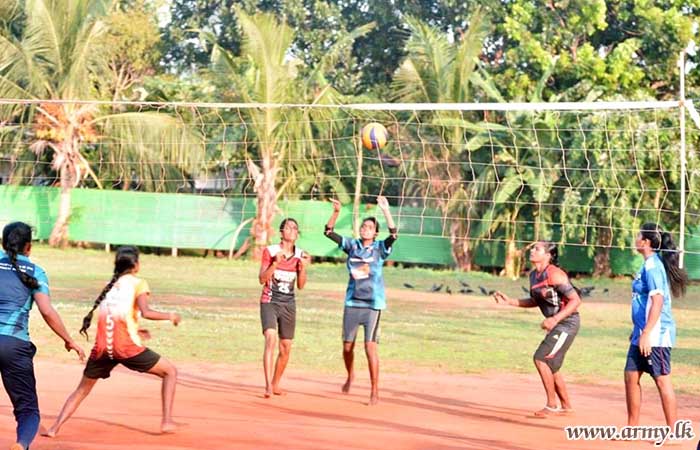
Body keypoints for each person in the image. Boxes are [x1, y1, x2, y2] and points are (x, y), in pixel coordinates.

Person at [43, 246, 181, 436]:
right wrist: (171, 316)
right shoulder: (138, 283)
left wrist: (136, 330)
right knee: (170, 372)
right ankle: (166, 421)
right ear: (136, 265)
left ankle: (54, 428)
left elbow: (111, 317)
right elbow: (146, 312)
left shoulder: (110, 285)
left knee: (82, 390)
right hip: (125, 347)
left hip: (102, 349)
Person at [0, 222, 85, 450]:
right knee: (28, 410)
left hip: (12, 344)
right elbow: (47, 311)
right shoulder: (35, 272)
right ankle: (20, 444)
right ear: (29, 247)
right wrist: (69, 340)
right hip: (14, 345)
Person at [493, 241, 581, 417]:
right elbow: (536, 300)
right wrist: (510, 301)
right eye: (533, 248)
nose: (532, 250)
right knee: (552, 365)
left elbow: (575, 300)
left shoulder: (555, 274)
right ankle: (566, 407)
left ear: (548, 255)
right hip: (557, 324)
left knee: (541, 359)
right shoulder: (534, 275)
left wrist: (554, 319)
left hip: (566, 323)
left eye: (537, 249)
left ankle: (552, 405)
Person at [324, 196, 397, 405]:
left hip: (373, 305)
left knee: (369, 347)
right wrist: (336, 212)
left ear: (375, 233)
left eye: (369, 227)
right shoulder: (352, 245)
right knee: (347, 347)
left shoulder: (380, 248)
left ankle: (374, 390)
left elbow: (393, 235)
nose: (365, 228)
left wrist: (385, 210)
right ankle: (350, 375)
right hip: (352, 303)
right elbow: (328, 232)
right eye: (363, 225)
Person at [625, 223, 687, 429]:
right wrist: (638, 330)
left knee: (662, 380)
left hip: (656, 335)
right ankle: (632, 427)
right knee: (631, 376)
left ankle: (674, 432)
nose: (635, 239)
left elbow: (658, 301)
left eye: (638, 235)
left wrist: (647, 333)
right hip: (642, 333)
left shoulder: (653, 267)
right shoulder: (648, 263)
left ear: (646, 242)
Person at [259, 218, 310, 398]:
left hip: (289, 303)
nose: (292, 230)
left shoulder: (301, 255)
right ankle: (267, 386)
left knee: (286, 347)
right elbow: (262, 279)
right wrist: (274, 264)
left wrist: (303, 269)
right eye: (288, 227)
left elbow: (301, 285)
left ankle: (275, 383)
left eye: (295, 228)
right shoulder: (271, 251)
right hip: (270, 301)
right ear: (281, 232)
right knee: (271, 339)